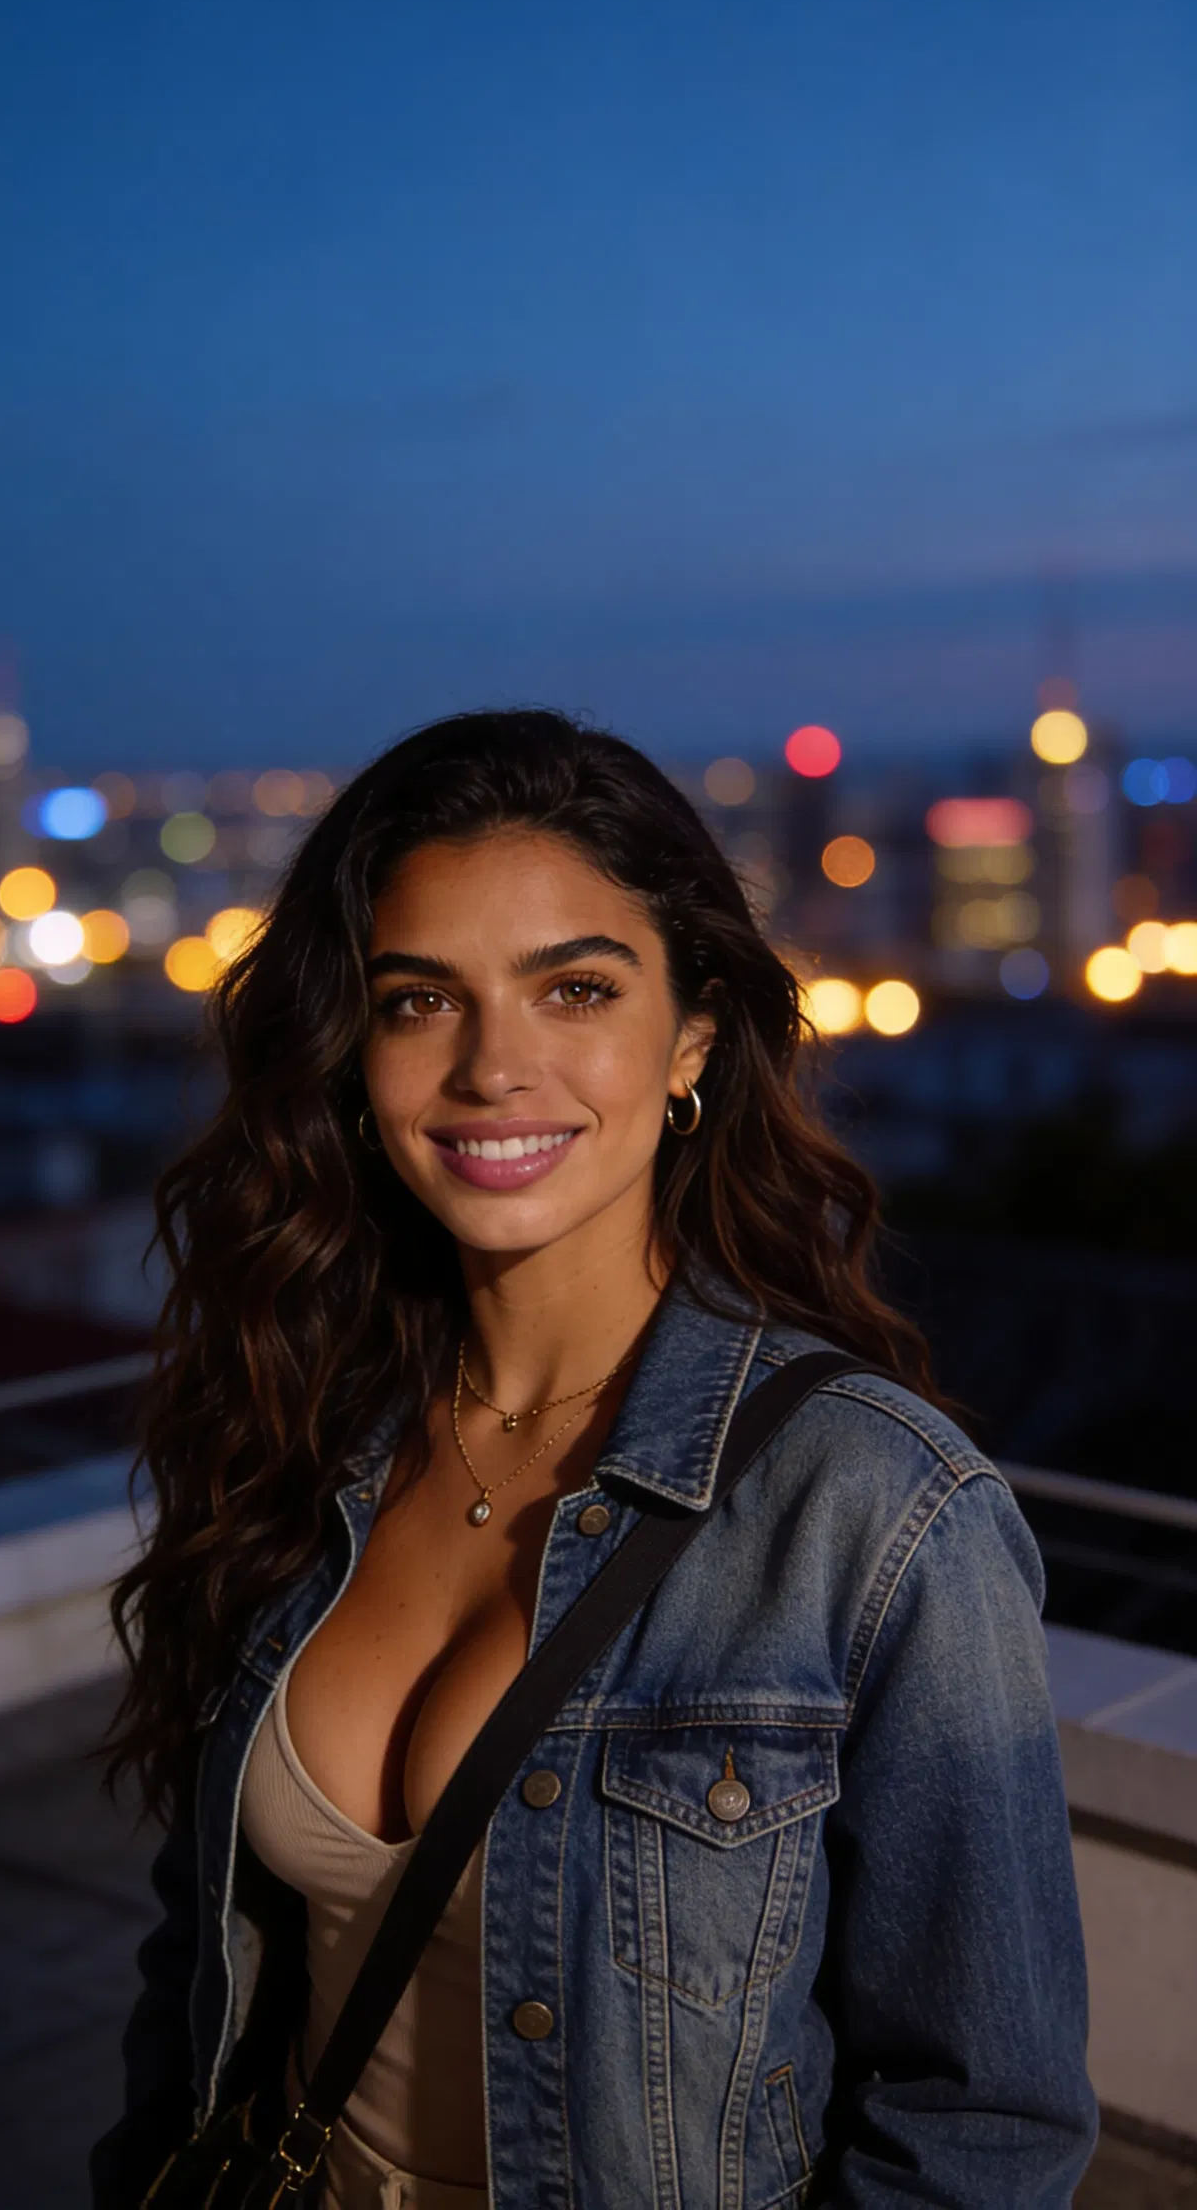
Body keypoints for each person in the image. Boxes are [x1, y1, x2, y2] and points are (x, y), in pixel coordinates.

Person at [89, 708, 1097, 2210]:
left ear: (690, 1037)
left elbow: (987, 2124)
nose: (497, 1067)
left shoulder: (875, 1512)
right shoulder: (297, 1437)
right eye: (421, 1000)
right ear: (354, 1055)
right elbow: (203, 1964)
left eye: (573, 989)